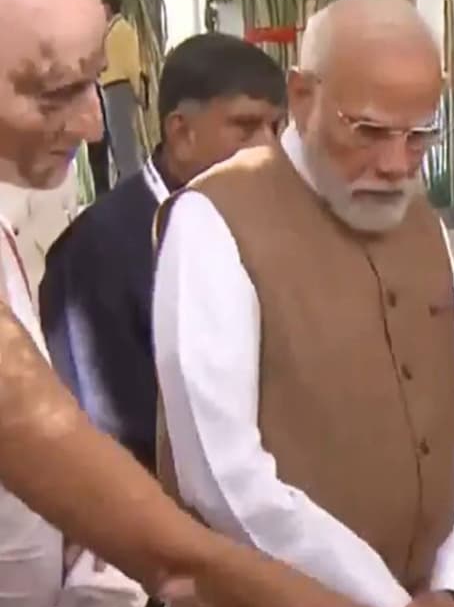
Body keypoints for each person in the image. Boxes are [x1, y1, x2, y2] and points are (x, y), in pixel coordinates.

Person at [0, 0, 372, 607]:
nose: (90, 125)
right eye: (55, 92)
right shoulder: (101, 247)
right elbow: (134, 513)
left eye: (92, 87)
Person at [152, 0, 454, 607]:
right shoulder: (214, 218)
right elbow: (222, 478)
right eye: (368, 131)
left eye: (419, 136)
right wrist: (383, 600)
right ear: (301, 96)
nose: (397, 164)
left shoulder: (421, 222)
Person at [41, 32, 286, 472]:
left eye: (276, 128)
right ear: (182, 132)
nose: (268, 148)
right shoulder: (97, 253)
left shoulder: (280, 223)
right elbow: (108, 438)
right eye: (246, 127)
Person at [97, 0, 145, 183]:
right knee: (119, 143)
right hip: (110, 90)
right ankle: (128, 184)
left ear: (107, 7)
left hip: (120, 89)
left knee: (124, 143)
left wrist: (138, 91)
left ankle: (134, 187)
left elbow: (132, 64)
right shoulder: (110, 30)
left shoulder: (122, 30)